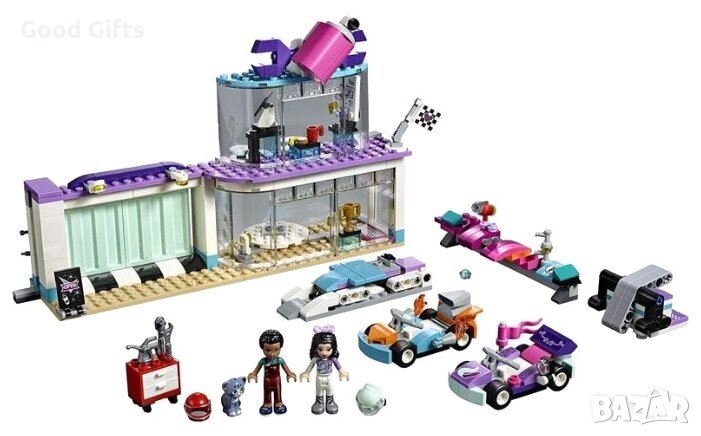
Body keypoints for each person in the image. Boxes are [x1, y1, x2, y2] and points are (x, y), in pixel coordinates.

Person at [300, 325, 349, 414]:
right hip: (319, 377)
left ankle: (330, 402)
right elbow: (309, 368)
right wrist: (306, 373)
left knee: (330, 390)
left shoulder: (333, 359)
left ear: (333, 348)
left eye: (328, 349)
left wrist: (342, 372)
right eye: (320, 349)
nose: (324, 353)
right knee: (319, 391)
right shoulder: (316, 359)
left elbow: (339, 368)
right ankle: (319, 402)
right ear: (316, 348)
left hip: (329, 377)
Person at [247, 329, 297, 415]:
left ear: (280, 348)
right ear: (262, 348)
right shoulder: (263, 361)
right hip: (267, 380)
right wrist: (254, 374)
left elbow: (286, 369)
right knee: (267, 392)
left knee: (278, 391)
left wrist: (289, 374)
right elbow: (256, 370)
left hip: (276, 380)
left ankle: (278, 403)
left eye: (276, 350)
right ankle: (267, 404)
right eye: (267, 350)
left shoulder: (279, 360)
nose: (272, 354)